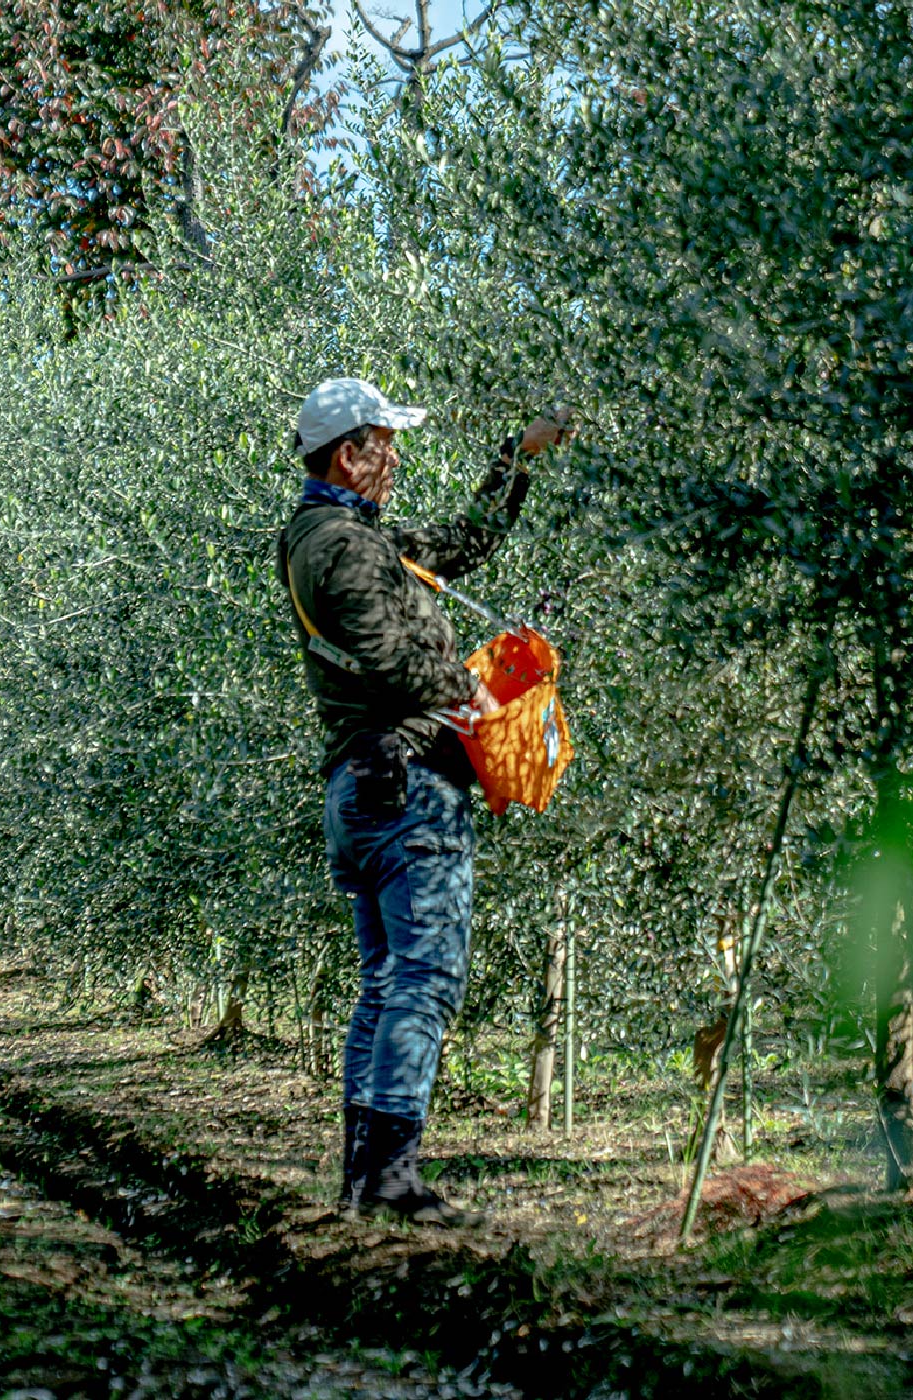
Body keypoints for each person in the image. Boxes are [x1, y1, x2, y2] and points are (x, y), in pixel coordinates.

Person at [275, 377, 565, 1226]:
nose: (394, 460)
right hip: (406, 786)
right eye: (384, 445)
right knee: (426, 977)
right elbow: (389, 659)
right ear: (346, 455)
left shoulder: (339, 539)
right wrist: (466, 692)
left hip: (360, 789)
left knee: (383, 980)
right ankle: (392, 1181)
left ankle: (364, 1183)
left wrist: (519, 456)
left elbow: (464, 543)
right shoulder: (346, 549)